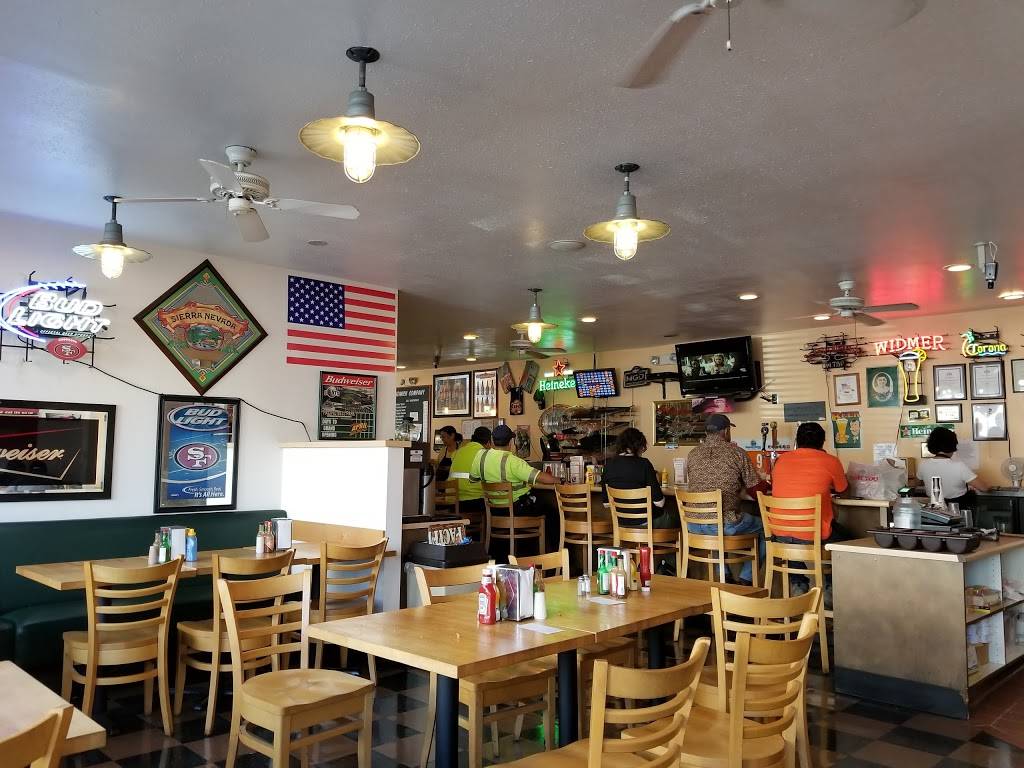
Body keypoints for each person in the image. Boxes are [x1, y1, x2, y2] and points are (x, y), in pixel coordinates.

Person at [769, 422, 850, 601]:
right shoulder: (830, 461)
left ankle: (798, 584)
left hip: (779, 533)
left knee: (791, 534)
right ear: (822, 442)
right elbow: (844, 490)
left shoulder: (781, 460)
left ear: (797, 441)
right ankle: (830, 589)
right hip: (812, 534)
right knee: (849, 540)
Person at [685, 413, 769, 585]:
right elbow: (756, 491)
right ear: (726, 431)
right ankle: (746, 578)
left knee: (715, 522)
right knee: (767, 528)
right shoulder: (736, 453)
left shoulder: (692, 454)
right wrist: (763, 481)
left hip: (692, 525)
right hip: (722, 525)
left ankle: (724, 574)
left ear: (706, 432)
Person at [469, 424, 558, 514]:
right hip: (518, 509)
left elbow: (473, 479)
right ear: (511, 442)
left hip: (494, 510)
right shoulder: (513, 461)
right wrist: (560, 480)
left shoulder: (481, 456)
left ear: (492, 440)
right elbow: (541, 477)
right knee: (552, 509)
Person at [602, 427, 680, 528]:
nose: (642, 451)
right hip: (646, 523)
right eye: (643, 448)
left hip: (621, 522)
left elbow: (606, 504)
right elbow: (659, 503)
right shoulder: (644, 464)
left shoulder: (608, 465)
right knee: (678, 518)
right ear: (637, 446)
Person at [918, 427, 988, 504]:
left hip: (934, 507)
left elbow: (919, 483)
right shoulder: (959, 466)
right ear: (952, 445)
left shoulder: (923, 465)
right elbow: (984, 488)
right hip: (957, 507)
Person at [448, 427, 492, 516]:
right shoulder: (485, 454)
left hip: (452, 501)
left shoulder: (457, 452)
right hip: (474, 502)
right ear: (488, 442)